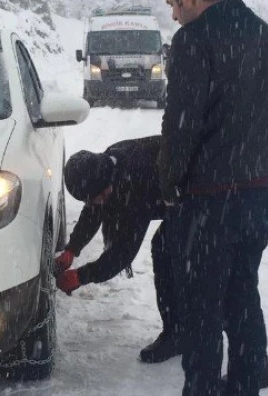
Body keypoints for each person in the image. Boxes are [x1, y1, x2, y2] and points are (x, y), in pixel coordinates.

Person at [152, 0, 268, 396]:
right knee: (241, 296)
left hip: (210, 203)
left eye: (172, 1)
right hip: (258, 197)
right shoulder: (267, 36)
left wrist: (169, 184)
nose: (173, 13)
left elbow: (181, 125)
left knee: (201, 308)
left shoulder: (193, 41)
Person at [54, 136, 179, 363]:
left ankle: (179, 333)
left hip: (199, 193)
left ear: (107, 185)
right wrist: (73, 249)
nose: (96, 203)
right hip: (176, 187)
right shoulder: (106, 168)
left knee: (168, 250)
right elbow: (95, 210)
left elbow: (122, 253)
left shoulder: (135, 183)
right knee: (165, 247)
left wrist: (81, 276)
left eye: (97, 197)